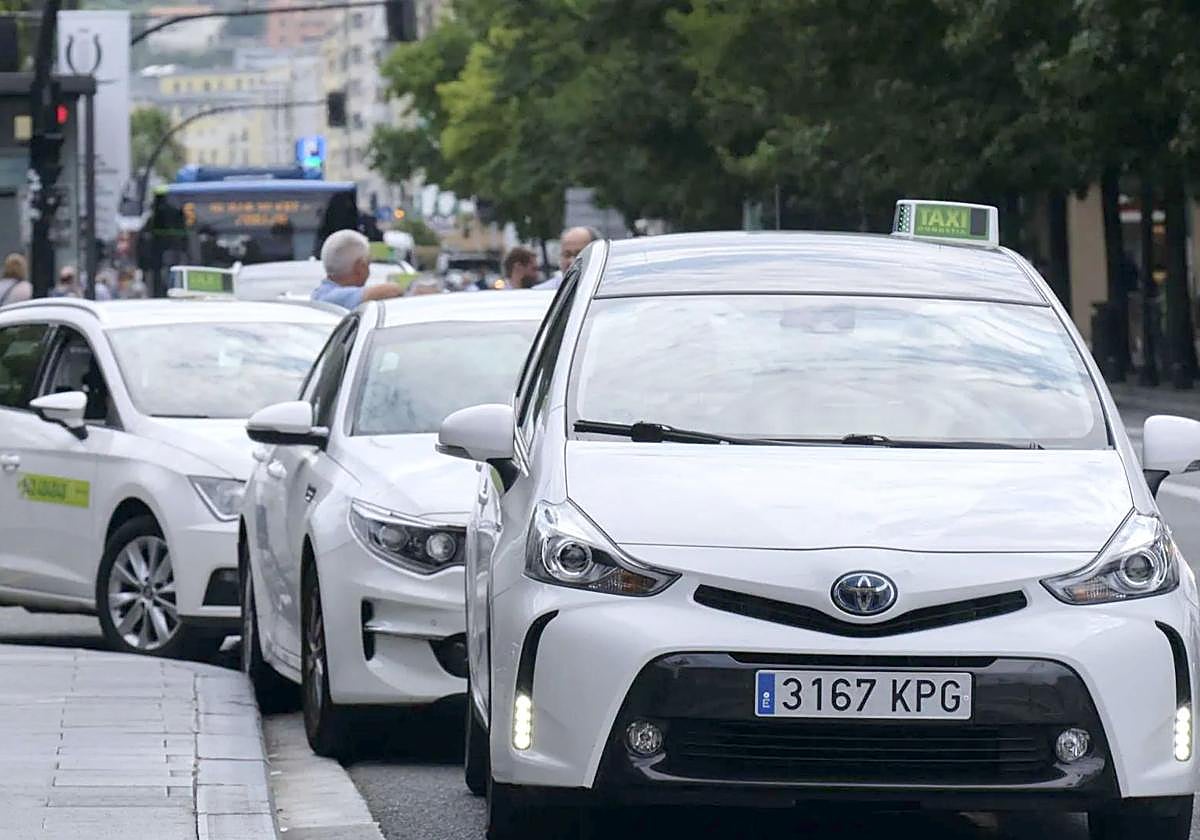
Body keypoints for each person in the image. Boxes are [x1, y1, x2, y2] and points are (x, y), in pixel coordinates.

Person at [312, 229, 403, 309]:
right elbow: (393, 290)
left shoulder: (320, 293)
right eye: (368, 263)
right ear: (360, 267)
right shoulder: (334, 298)